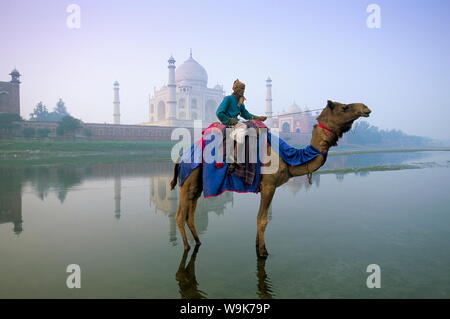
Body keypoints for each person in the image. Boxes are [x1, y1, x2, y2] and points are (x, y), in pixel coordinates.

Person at [216, 79, 267, 165]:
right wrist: (230, 120)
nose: (242, 91)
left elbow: (246, 114)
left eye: (243, 89)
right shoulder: (228, 99)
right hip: (228, 122)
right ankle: (234, 155)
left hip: (236, 123)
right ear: (235, 89)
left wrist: (259, 118)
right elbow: (219, 112)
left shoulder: (240, 102)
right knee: (243, 127)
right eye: (240, 89)